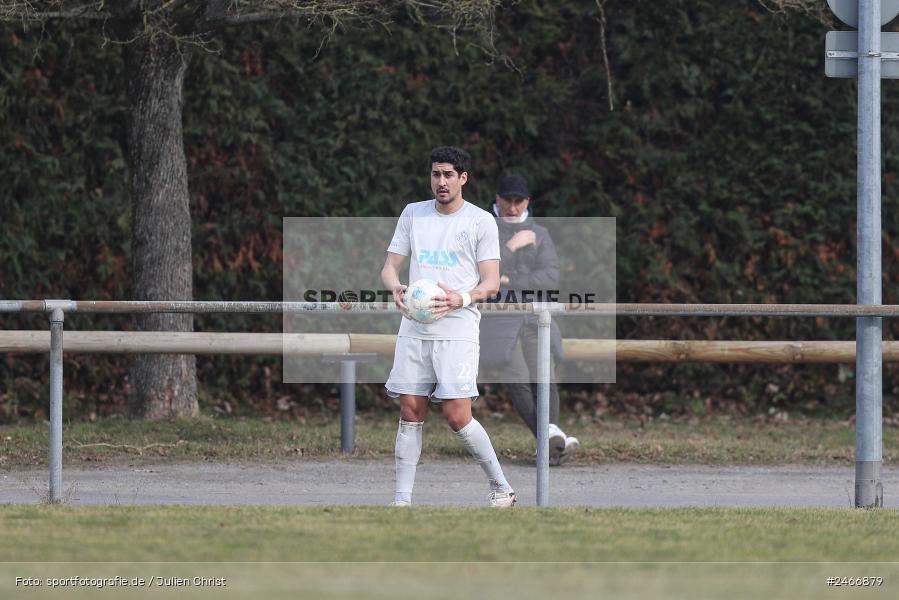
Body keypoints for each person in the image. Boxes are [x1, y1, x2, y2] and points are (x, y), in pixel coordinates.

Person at [381, 146, 516, 507]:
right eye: (436, 174)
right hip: (415, 326)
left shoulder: (479, 221)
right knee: (410, 409)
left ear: (463, 179)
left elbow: (491, 283)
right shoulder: (413, 214)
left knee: (457, 415)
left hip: (457, 327)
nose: (441, 181)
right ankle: (401, 502)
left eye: (448, 175)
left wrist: (461, 299)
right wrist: (395, 286)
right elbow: (390, 266)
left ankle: (501, 487)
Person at [480, 174, 579, 465]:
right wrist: (511, 248)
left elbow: (551, 278)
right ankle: (550, 440)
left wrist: (511, 279)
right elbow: (486, 275)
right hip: (498, 318)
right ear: (497, 199)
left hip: (537, 315)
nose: (512, 206)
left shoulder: (541, 234)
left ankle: (549, 446)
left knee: (544, 378)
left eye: (518, 201)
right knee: (517, 379)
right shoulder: (482, 229)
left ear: (527, 202)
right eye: (507, 200)